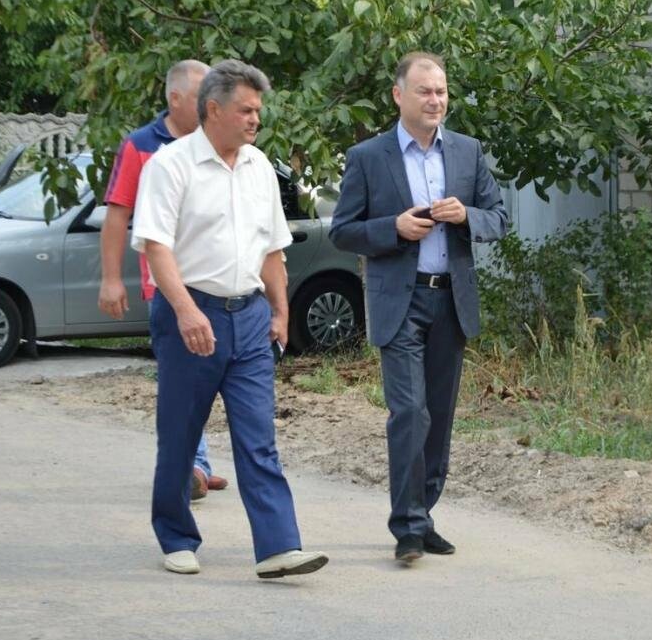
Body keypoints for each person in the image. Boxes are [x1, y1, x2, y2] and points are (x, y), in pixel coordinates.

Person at [131, 59, 328, 579]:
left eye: (258, 110)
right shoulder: (170, 166)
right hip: (191, 315)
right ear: (213, 110)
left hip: (250, 318)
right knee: (181, 434)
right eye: (246, 110)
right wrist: (185, 310)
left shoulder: (260, 166)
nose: (255, 119)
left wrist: (281, 311)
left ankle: (279, 547)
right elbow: (156, 247)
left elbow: (272, 249)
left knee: (259, 437)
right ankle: (176, 537)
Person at [329, 51, 507, 564]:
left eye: (442, 91)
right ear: (398, 95)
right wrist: (394, 228)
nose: (435, 100)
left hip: (451, 300)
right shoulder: (368, 156)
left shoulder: (468, 152)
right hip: (400, 303)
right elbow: (343, 231)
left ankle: (422, 514)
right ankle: (407, 527)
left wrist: (466, 215)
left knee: (440, 415)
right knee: (409, 411)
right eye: (425, 91)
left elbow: (499, 217)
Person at [98, 59, 228, 501]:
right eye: (202, 96)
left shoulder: (220, 142)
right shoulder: (141, 146)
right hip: (168, 288)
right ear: (175, 98)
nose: (213, 104)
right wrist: (111, 279)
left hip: (222, 286)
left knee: (209, 377)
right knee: (184, 376)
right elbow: (118, 215)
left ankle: (196, 463)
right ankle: (193, 466)